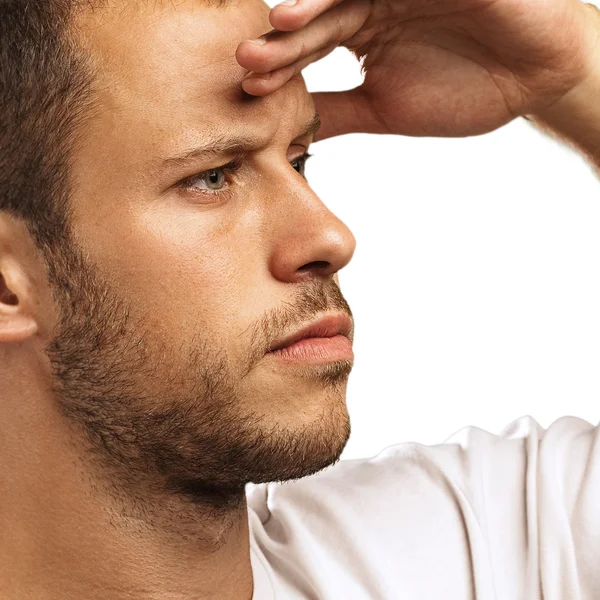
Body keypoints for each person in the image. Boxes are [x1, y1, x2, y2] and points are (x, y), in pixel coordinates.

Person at [0, 0, 598, 598]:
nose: (332, 237)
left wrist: (577, 69)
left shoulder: (465, 554)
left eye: (298, 160)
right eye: (213, 176)